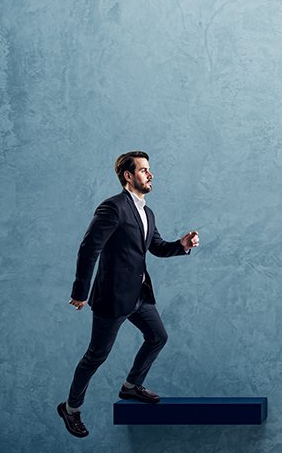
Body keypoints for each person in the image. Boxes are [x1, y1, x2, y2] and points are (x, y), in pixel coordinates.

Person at [58, 151, 200, 437]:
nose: (150, 174)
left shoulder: (147, 212)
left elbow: (156, 246)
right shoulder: (112, 208)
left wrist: (181, 244)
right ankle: (71, 408)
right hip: (112, 298)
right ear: (128, 175)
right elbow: (89, 249)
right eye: (144, 170)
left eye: (149, 170)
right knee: (96, 356)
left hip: (139, 295)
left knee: (158, 336)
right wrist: (80, 292)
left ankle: (131, 386)